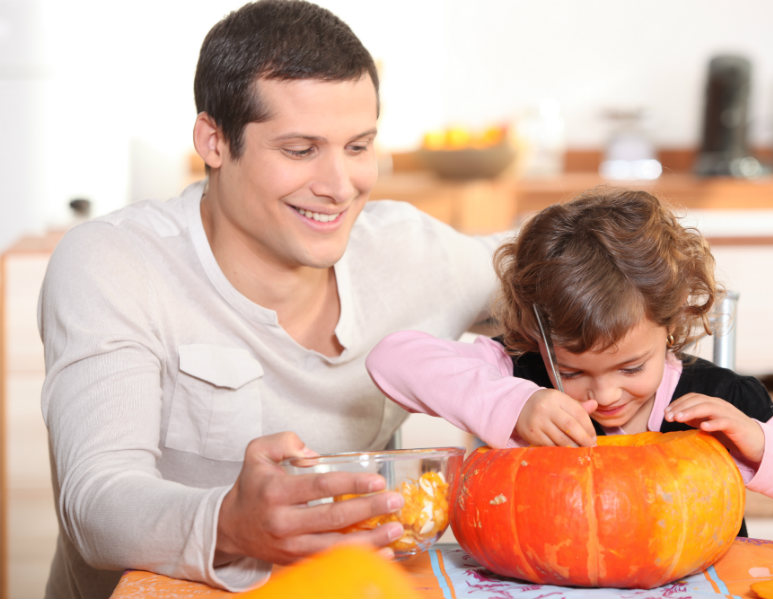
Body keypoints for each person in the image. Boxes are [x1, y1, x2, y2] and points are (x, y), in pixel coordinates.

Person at [37, 1, 505, 597]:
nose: (339, 186)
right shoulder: (113, 264)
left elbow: (566, 258)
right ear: (214, 140)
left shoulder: (408, 252)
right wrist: (231, 524)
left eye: (358, 147)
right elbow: (95, 503)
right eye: (300, 150)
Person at [367, 187, 773, 538]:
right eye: (572, 372)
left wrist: (760, 447)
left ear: (672, 322)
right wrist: (514, 404)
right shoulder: (522, 374)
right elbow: (392, 360)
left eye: (632, 368)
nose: (606, 395)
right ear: (541, 340)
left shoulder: (727, 403)